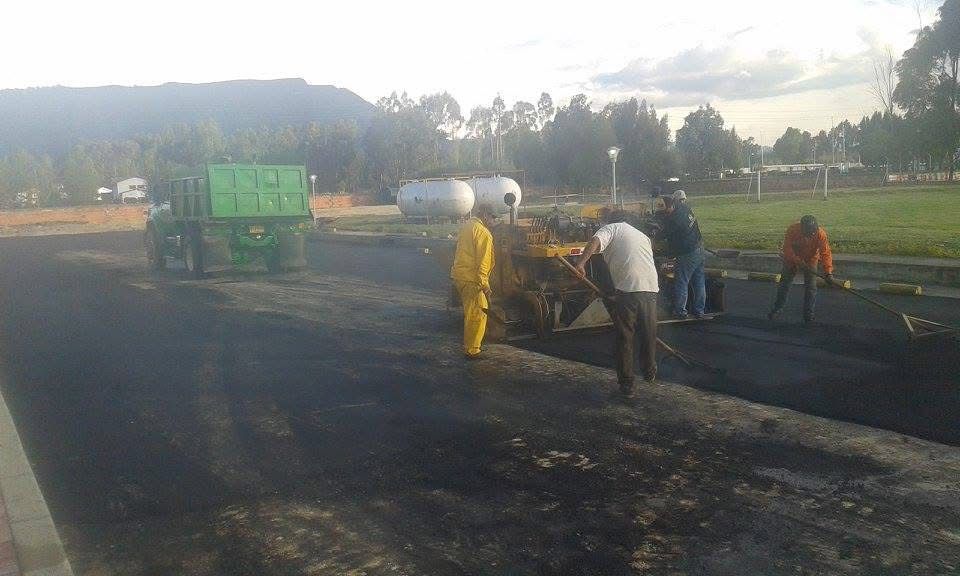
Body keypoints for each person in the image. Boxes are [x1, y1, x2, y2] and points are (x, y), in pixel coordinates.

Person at [574, 211, 659, 398]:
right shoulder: (641, 235)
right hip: (651, 286)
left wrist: (580, 263)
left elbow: (595, 241)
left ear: (609, 221)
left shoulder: (610, 228)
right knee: (648, 332)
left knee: (625, 336)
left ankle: (627, 384)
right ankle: (649, 370)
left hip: (628, 289)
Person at [450, 206, 498, 358]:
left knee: (471, 311)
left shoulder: (467, 226)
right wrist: (484, 284)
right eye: (492, 217)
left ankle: (472, 345)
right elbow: (483, 262)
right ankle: (472, 350)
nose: (494, 221)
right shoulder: (483, 233)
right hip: (472, 279)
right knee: (477, 314)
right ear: (484, 215)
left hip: (460, 275)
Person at [768, 215, 835, 324]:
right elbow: (787, 249)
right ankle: (777, 308)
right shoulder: (792, 230)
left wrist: (828, 273)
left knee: (811, 288)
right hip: (792, 259)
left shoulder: (820, 234)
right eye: (809, 233)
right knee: (784, 283)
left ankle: (808, 315)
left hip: (811, 259)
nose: (812, 234)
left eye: (814, 232)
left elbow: (825, 253)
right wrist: (798, 262)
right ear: (802, 229)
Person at [659, 190, 705, 319]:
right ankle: (699, 310)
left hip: (688, 253)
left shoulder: (674, 218)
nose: (666, 212)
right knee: (699, 281)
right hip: (700, 248)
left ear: (671, 205)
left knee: (681, 281)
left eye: (666, 209)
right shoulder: (686, 208)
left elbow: (665, 235)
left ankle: (680, 311)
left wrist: (655, 236)